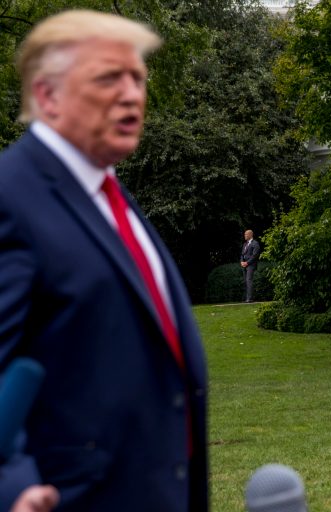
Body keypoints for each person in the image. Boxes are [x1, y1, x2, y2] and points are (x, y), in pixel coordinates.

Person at [0, 10, 208, 511]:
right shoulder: (11, 196)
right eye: (108, 78)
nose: (132, 94)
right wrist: (12, 485)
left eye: (138, 78)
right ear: (48, 95)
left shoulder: (106, 193)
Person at [240, 229, 260, 303]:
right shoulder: (245, 244)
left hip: (251, 265)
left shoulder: (255, 243)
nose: (245, 235)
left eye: (246, 234)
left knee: (249, 280)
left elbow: (255, 256)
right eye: (244, 234)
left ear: (251, 235)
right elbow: (242, 254)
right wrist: (242, 261)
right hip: (244, 265)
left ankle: (250, 298)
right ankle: (246, 298)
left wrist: (247, 263)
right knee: (245, 281)